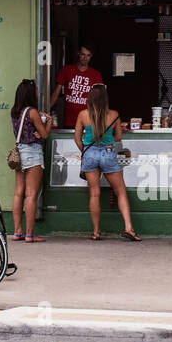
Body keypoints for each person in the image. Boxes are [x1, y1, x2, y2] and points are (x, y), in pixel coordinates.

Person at [74, 83, 139, 241]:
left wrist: (85, 150)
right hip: (108, 152)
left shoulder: (83, 115)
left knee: (94, 193)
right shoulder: (114, 114)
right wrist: (107, 140)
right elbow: (118, 137)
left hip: (89, 153)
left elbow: (76, 138)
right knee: (120, 191)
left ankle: (96, 232)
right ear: (105, 98)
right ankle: (128, 228)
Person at [10, 79, 52, 242]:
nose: (37, 92)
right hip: (32, 151)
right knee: (31, 194)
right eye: (35, 90)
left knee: (19, 192)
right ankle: (30, 234)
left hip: (19, 152)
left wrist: (37, 131)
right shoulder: (33, 112)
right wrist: (47, 122)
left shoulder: (15, 111)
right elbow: (45, 135)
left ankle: (17, 231)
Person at [50, 46, 103, 128]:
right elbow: (56, 93)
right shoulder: (66, 70)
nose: (85, 58)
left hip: (88, 121)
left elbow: (98, 100)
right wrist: (46, 109)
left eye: (88, 55)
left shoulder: (96, 75)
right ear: (78, 53)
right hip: (69, 121)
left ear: (91, 56)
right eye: (83, 54)